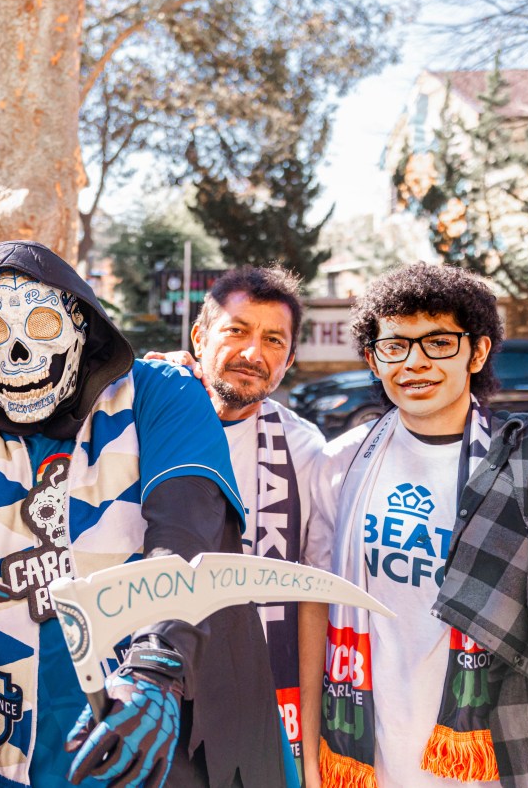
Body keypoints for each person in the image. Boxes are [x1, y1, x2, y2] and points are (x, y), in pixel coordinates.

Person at [0, 240, 289, 788]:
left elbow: (189, 529)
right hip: (3, 754)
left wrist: (157, 662)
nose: (16, 353)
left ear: (80, 324)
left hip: (148, 739)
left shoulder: (159, 396)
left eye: (39, 323)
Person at [303, 262, 528, 787]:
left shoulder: (518, 464)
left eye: (438, 342)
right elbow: (315, 603)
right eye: (395, 346)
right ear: (373, 357)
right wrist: (310, 754)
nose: (414, 363)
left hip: (487, 750)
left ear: (476, 352)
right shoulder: (340, 463)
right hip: (366, 749)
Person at [149, 265, 325, 786]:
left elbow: (311, 594)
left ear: (288, 361)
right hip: (144, 683)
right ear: (199, 336)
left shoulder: (306, 450)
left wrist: (309, 751)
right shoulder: (136, 412)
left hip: (252, 695)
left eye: (273, 340)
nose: (254, 352)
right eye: (237, 330)